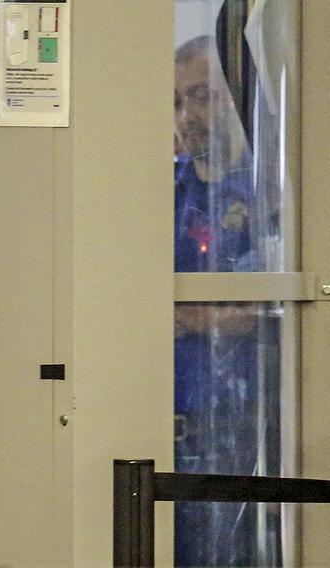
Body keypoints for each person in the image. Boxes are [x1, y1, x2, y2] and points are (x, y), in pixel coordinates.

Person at [173, 35, 281, 567]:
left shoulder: (274, 195)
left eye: (201, 95)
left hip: (248, 436)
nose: (186, 115)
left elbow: (250, 310)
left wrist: (183, 316)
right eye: (176, 101)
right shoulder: (157, 194)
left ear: (237, 96)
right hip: (163, 437)